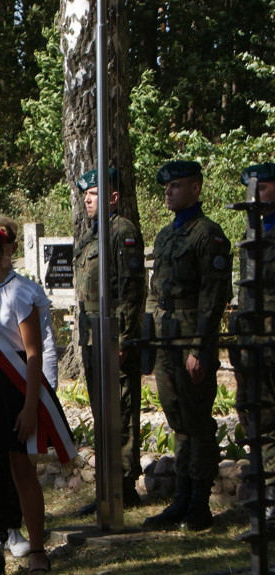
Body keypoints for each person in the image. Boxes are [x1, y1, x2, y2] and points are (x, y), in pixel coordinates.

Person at [0, 222, 75, 574]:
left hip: (16, 384)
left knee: (21, 469)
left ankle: (37, 551)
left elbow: (34, 353)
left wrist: (29, 407)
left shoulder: (23, 292)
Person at [143, 160, 232, 531]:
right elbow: (155, 289)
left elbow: (213, 298)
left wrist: (199, 348)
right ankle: (181, 498)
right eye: (166, 187)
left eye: (176, 186)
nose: (168, 192)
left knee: (197, 421)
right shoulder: (165, 235)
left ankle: (199, 503)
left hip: (190, 337)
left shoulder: (208, 235)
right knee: (177, 419)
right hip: (165, 338)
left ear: (195, 189)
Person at [72, 168, 146, 514]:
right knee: (102, 408)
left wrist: (125, 337)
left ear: (113, 197)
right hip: (92, 333)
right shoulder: (92, 236)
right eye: (85, 194)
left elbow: (131, 290)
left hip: (113, 331)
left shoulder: (122, 232)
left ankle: (124, 485)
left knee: (121, 406)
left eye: (95, 193)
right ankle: (106, 484)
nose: (87, 199)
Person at [232, 162, 275, 521]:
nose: (254, 194)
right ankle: (265, 493)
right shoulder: (254, 234)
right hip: (253, 340)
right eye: (251, 188)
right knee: (255, 412)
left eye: (262, 187)